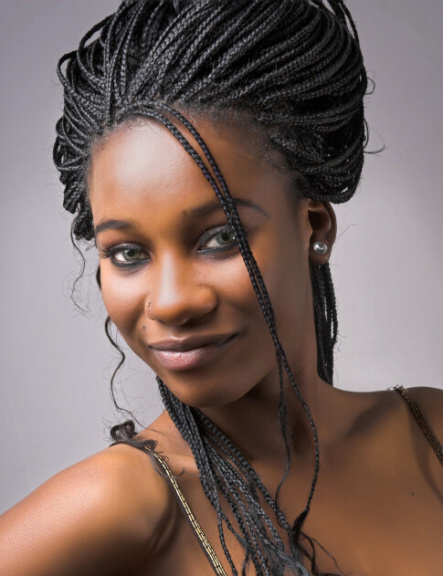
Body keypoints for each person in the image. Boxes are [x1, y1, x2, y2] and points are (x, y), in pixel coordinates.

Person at [0, 1, 442, 575]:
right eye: (128, 254)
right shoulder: (124, 504)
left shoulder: (431, 433)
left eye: (218, 238)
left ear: (315, 226)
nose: (172, 300)